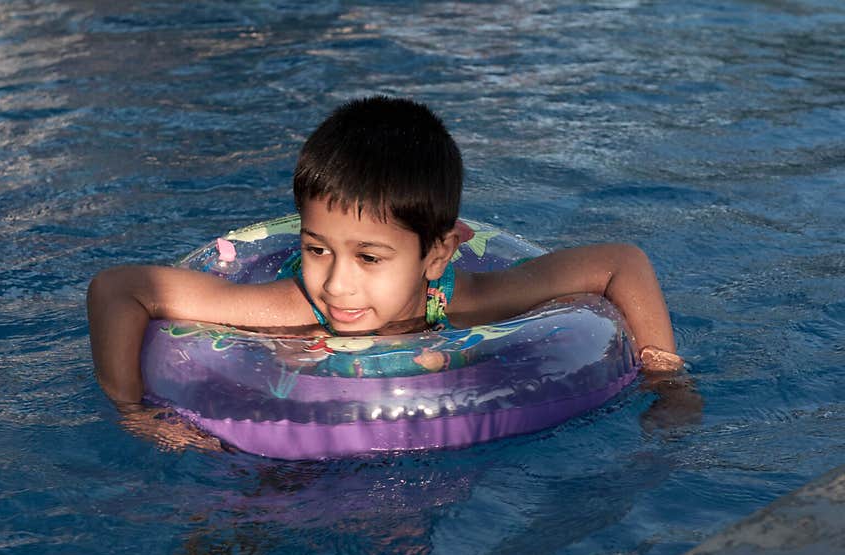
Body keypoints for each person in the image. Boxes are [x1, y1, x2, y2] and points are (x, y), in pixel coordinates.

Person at [88, 95, 684, 405]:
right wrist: (132, 409)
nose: (337, 285)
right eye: (318, 249)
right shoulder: (291, 305)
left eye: (369, 258)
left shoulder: (469, 301)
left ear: (436, 255)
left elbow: (620, 262)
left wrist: (664, 376)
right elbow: (118, 289)